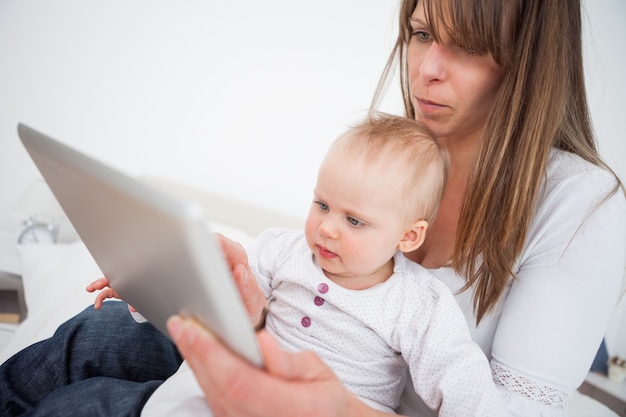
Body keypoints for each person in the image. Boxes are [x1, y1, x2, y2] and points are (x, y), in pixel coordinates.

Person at [1, 0, 625, 416]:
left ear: (527, 60)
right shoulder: (400, 150)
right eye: (421, 33)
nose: (427, 71)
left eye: (468, 47)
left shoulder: (582, 205)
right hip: (273, 361)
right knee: (98, 333)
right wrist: (221, 299)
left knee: (88, 405)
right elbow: (292, 297)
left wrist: (328, 406)